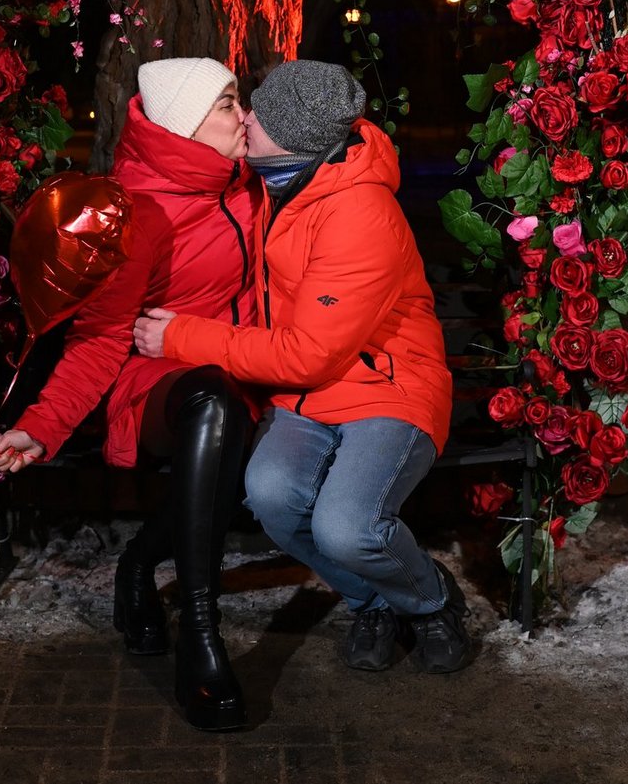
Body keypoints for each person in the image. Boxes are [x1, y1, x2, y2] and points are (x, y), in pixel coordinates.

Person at [134, 59, 471, 675]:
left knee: (347, 527)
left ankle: (429, 602)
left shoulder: (358, 214)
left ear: (293, 141)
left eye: (259, 113)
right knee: (271, 495)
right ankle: (372, 601)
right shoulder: (281, 182)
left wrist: (181, 335)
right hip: (307, 395)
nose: (247, 118)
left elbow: (308, 352)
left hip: (383, 389)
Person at [0, 57, 259, 732]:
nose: (243, 115)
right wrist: (41, 425)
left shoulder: (249, 183)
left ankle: (138, 564)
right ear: (184, 126)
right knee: (213, 409)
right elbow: (103, 340)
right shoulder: (138, 215)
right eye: (226, 104)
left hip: (247, 363)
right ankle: (200, 631)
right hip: (163, 380)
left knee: (230, 418)